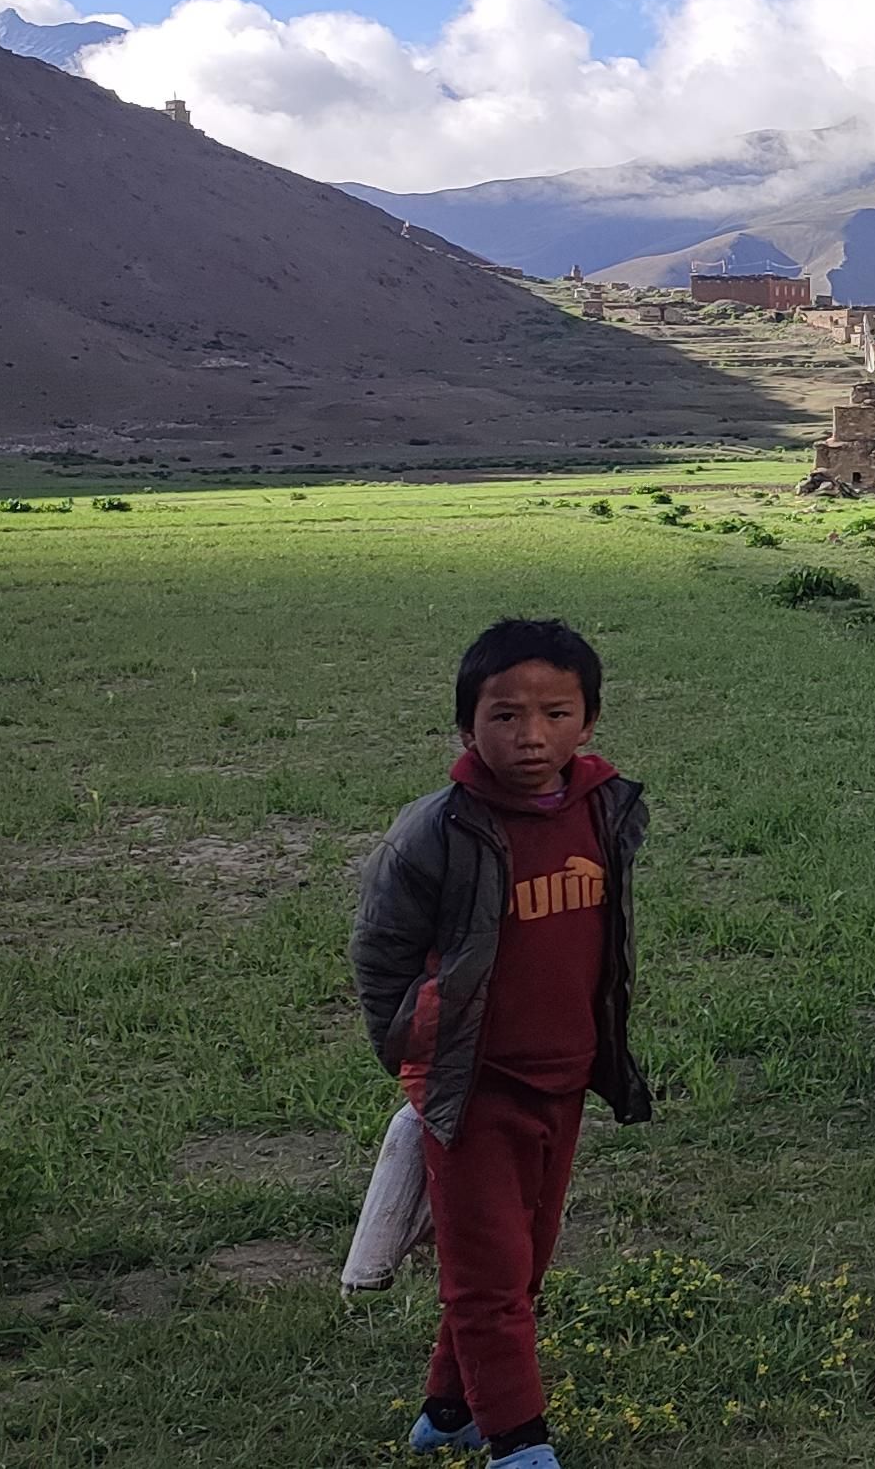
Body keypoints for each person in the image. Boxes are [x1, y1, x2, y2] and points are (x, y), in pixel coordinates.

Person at [350, 619, 655, 1468]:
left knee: (519, 1265)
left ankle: (448, 1414)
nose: (531, 736)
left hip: (562, 1078)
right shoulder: (438, 830)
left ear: (588, 721)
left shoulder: (605, 808)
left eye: (555, 713)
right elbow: (380, 956)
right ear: (465, 727)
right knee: (487, 1277)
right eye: (505, 715)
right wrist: (416, 1052)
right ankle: (520, 1446)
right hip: (473, 1085)